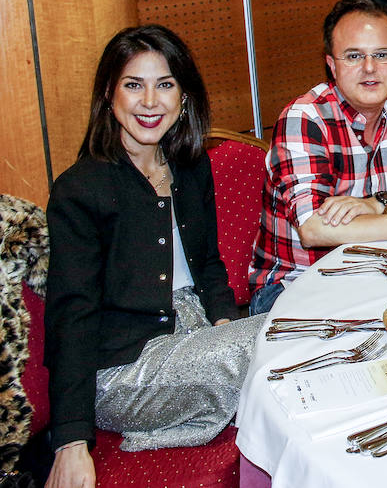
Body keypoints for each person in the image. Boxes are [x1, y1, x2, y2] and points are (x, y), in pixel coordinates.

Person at [45, 26, 265, 487]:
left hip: (198, 338)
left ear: (184, 95)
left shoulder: (188, 164)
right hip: (126, 369)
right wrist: (70, 442)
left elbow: (208, 263)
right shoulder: (81, 190)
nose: (150, 101)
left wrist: (224, 322)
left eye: (165, 84)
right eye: (133, 85)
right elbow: (72, 315)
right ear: (109, 94)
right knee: (271, 340)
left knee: (284, 330)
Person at [248, 0, 387, 314]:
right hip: (296, 287)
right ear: (331, 63)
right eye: (354, 56)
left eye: (381, 55)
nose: (370, 68)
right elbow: (315, 228)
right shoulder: (305, 118)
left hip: (385, 274)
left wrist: (373, 204)